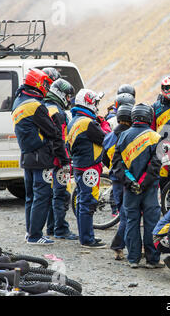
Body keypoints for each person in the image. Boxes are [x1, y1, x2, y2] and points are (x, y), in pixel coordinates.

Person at [11, 68, 66, 245]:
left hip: (26, 155)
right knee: (42, 195)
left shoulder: (18, 101)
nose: (46, 87)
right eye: (44, 83)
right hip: (41, 157)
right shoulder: (35, 105)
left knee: (30, 197)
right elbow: (52, 131)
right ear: (36, 83)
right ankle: (35, 235)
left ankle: (30, 233)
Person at [112, 103, 164, 268]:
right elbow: (155, 165)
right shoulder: (156, 137)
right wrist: (143, 183)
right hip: (149, 189)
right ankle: (152, 260)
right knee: (151, 224)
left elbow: (117, 165)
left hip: (130, 189)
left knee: (132, 222)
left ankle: (133, 259)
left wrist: (132, 182)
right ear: (149, 117)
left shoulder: (122, 136)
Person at [67, 89, 108, 248]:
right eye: (95, 102)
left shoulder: (74, 120)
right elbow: (106, 138)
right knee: (87, 202)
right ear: (88, 103)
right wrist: (104, 124)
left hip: (80, 164)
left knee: (84, 201)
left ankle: (87, 236)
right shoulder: (87, 122)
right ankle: (87, 239)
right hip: (89, 166)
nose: (97, 105)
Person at [42, 78, 78, 241]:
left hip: (46, 157)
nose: (69, 99)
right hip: (57, 159)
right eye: (68, 96)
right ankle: (61, 229)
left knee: (52, 194)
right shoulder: (58, 112)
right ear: (61, 94)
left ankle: (51, 227)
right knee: (60, 194)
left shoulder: (46, 106)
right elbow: (60, 139)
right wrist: (65, 160)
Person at [102, 104, 133, 260]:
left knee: (123, 213)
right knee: (128, 215)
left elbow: (104, 158)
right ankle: (118, 245)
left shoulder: (109, 136)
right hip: (127, 179)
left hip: (115, 179)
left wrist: (113, 170)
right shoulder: (129, 136)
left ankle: (124, 246)